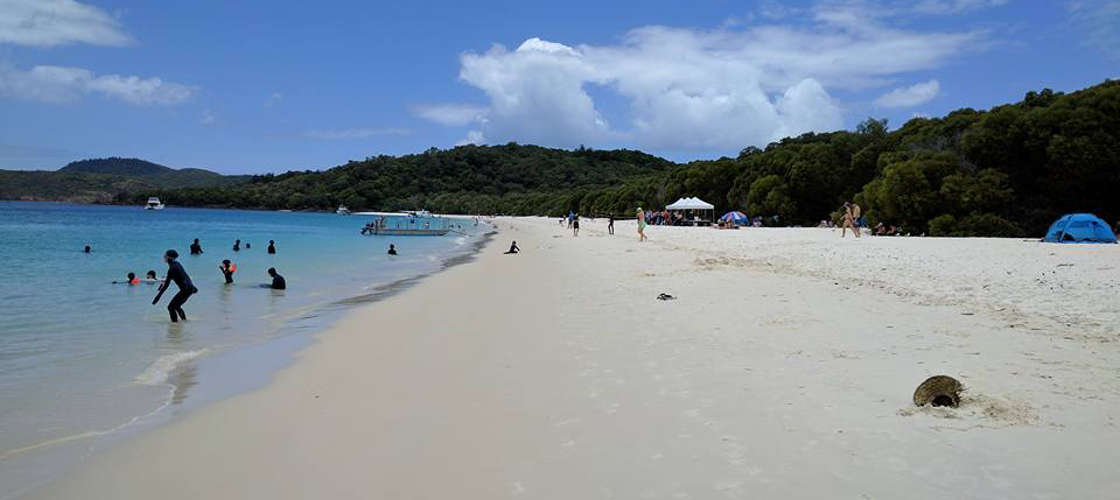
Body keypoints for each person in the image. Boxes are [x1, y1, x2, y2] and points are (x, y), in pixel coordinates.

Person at [152, 249, 197, 323]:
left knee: (170, 307)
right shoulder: (177, 264)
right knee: (176, 306)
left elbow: (166, 285)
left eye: (165, 256)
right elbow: (185, 275)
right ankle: (184, 321)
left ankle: (175, 324)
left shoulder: (172, 269)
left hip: (186, 289)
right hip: (189, 288)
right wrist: (192, 287)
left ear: (169, 257)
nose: (164, 257)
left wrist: (158, 297)